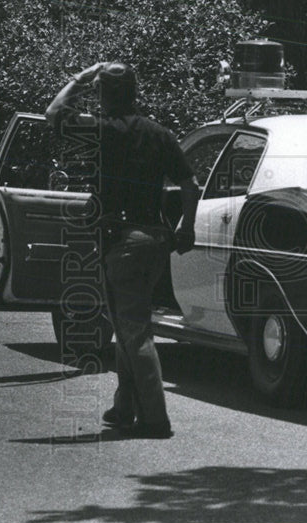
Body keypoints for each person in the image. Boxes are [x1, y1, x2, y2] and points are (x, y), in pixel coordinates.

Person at [46, 62, 199, 439]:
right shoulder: (160, 133)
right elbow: (190, 184)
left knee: (135, 332)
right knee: (129, 325)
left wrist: (79, 78)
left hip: (122, 243)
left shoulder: (101, 131)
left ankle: (156, 419)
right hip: (155, 242)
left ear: (103, 95)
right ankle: (124, 407)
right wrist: (187, 227)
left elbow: (54, 113)